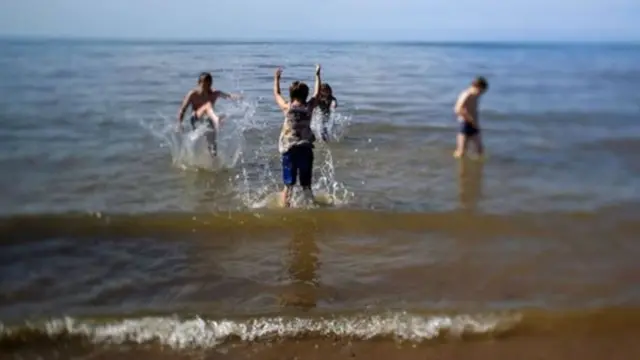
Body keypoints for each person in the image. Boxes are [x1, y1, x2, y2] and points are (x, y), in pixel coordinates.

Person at [273, 64, 322, 207]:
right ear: (305, 95)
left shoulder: (287, 108)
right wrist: (317, 75)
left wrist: (276, 78)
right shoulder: (308, 108)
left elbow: (276, 94)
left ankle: (286, 211)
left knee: (288, 186)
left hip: (290, 150)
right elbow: (317, 94)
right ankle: (312, 208)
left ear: (291, 95)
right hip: (306, 150)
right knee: (307, 186)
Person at [176, 72, 241, 157]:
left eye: (209, 84)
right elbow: (183, 109)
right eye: (204, 85)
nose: (206, 87)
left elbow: (229, 96)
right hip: (195, 119)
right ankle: (216, 119)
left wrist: (239, 97)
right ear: (199, 83)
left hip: (208, 121)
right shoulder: (193, 94)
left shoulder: (214, 93)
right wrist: (179, 123)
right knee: (207, 105)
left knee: (213, 146)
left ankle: (214, 163)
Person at [453, 76, 489, 158]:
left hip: (473, 123)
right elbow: (457, 109)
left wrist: (475, 123)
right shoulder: (466, 94)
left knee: (480, 150)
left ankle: (478, 169)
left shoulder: (476, 95)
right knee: (461, 151)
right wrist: (469, 119)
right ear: (476, 87)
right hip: (465, 124)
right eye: (480, 91)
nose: (481, 94)